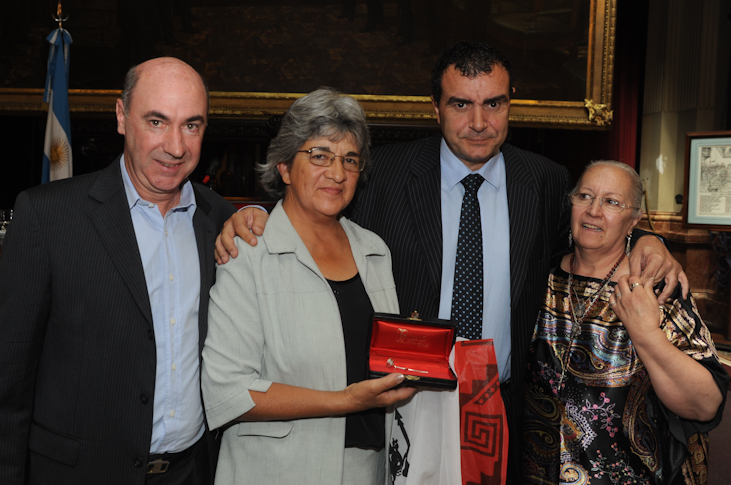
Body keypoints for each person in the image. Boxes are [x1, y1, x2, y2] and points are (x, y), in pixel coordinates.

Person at [214, 41, 685, 481]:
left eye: (493, 103)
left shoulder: (544, 181)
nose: (478, 122)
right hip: (408, 403)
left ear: (510, 104)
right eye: (461, 104)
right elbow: (315, 206)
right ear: (435, 107)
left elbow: (594, 229)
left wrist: (647, 238)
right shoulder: (384, 174)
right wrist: (254, 213)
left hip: (507, 407)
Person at [0, 57, 236, 485]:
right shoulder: (47, 216)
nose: (175, 146)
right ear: (121, 116)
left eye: (192, 125)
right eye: (156, 121)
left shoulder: (218, 218)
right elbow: (3, 389)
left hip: (192, 473)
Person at [201, 88, 415, 485]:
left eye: (350, 159)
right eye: (319, 155)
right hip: (274, 472)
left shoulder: (375, 251)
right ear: (283, 166)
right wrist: (344, 402)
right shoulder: (248, 252)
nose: (337, 173)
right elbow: (227, 391)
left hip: (367, 472)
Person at [523, 160, 727, 484]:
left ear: (634, 221)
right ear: (571, 204)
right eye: (585, 196)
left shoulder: (655, 290)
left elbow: (705, 406)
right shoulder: (536, 278)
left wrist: (646, 334)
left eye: (612, 202)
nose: (593, 210)